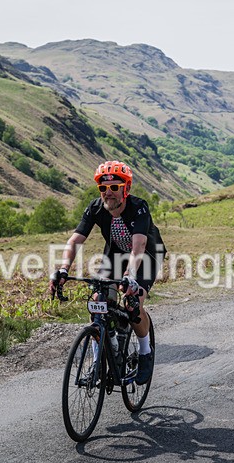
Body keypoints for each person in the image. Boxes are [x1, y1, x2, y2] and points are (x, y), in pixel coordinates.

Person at [50, 160, 165, 384]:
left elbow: (138, 246)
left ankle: (144, 352)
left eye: (114, 187)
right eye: (103, 188)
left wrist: (130, 277)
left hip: (146, 256)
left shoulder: (139, 208)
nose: (108, 193)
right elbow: (74, 241)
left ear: (126, 189)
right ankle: (99, 358)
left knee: (134, 303)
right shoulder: (95, 208)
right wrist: (63, 269)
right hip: (114, 256)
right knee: (98, 301)